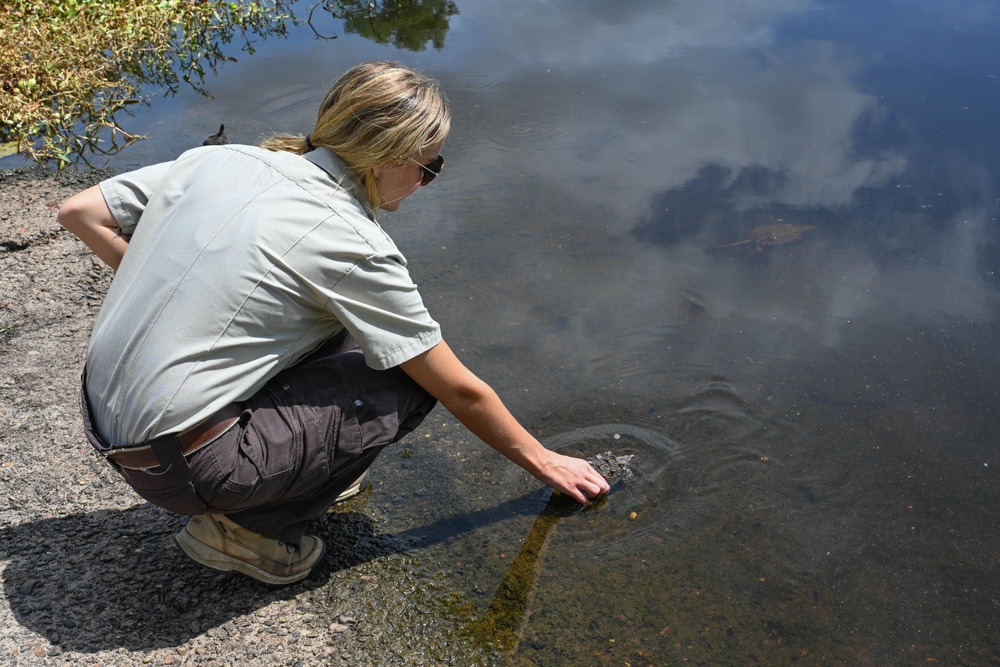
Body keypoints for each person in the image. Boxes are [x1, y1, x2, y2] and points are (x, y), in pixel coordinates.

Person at [58, 61, 610, 586]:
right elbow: (459, 388)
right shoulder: (352, 242)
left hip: (104, 422)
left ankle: (300, 469)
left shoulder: (223, 160)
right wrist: (545, 460)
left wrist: (166, 274)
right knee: (406, 376)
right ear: (387, 160)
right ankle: (251, 533)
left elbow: (79, 212)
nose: (426, 183)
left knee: (346, 330)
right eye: (429, 168)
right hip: (186, 467)